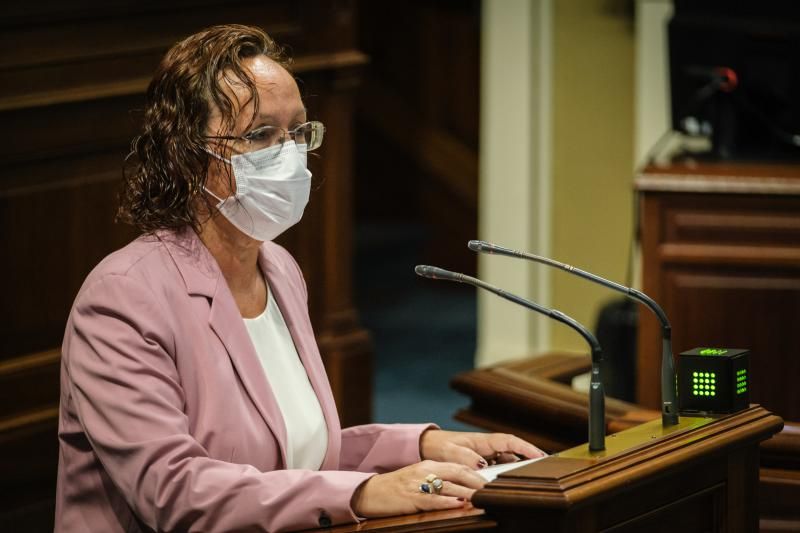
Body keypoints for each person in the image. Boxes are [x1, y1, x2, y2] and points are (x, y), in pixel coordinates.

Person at [54, 24, 544, 532]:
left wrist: (424, 444)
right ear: (185, 153)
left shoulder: (279, 267)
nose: (289, 154)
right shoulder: (123, 297)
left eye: (298, 132)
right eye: (261, 135)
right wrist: (366, 491)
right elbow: (176, 491)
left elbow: (289, 455)